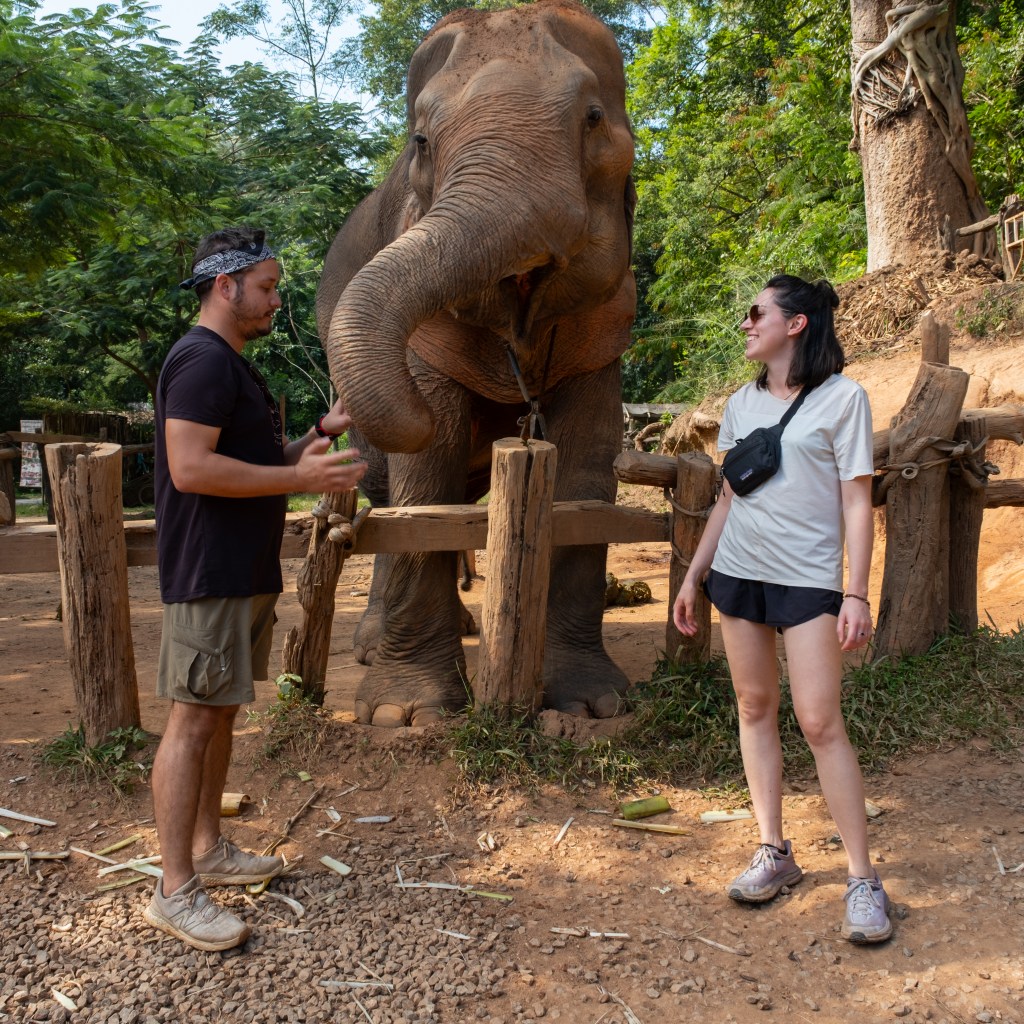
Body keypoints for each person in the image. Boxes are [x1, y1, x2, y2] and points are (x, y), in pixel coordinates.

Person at [146, 227, 367, 952]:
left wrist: (312, 438)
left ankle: (208, 847)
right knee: (191, 722)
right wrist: (300, 480)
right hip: (209, 572)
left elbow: (246, 461)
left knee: (219, 713)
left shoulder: (231, 366)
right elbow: (190, 469)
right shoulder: (201, 362)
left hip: (239, 570)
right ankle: (175, 889)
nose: (276, 299)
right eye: (267, 287)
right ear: (225, 286)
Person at [672, 274, 891, 944]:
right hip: (739, 573)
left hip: (808, 582)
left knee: (821, 722)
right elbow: (729, 499)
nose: (746, 323)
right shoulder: (739, 404)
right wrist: (693, 575)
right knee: (753, 707)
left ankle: (862, 879)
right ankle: (775, 851)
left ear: (795, 324)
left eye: (755, 313)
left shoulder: (844, 400)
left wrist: (856, 589)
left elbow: (858, 501)